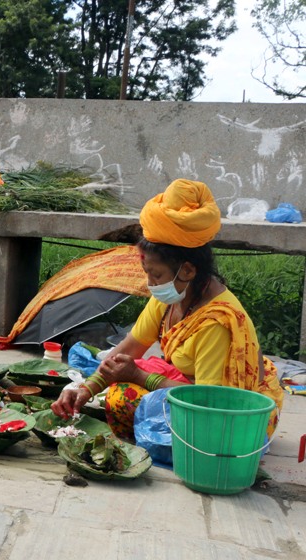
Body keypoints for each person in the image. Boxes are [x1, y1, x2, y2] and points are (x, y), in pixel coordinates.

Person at [51, 179, 284, 439]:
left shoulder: (216, 322)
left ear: (188, 270)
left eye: (157, 276)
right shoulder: (171, 295)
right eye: (147, 274)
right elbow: (126, 351)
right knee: (120, 384)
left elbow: (207, 399)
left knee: (123, 397)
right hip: (188, 387)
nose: (151, 284)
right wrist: (85, 387)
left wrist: (140, 376)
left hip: (225, 408)